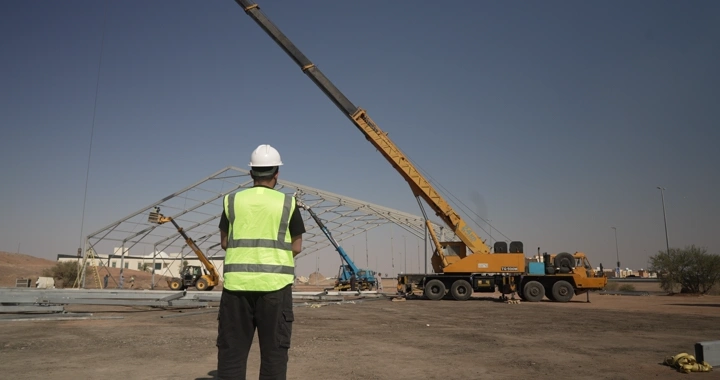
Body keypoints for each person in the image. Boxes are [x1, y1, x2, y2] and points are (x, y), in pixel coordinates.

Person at [216, 144, 306, 380]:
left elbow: (225, 242)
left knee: (231, 356)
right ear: (277, 173)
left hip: (236, 289)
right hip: (275, 289)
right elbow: (296, 246)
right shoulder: (287, 203)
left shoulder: (232, 201)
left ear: (251, 173)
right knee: (274, 356)